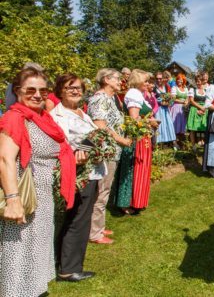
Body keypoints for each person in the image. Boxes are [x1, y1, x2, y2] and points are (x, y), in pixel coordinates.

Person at [0, 67, 76, 296]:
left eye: (43, 91)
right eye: (30, 90)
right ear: (17, 91)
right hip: (23, 197)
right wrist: (13, 200)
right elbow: (4, 159)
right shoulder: (15, 117)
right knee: (18, 252)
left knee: (35, 252)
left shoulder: (42, 117)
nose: (37, 95)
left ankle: (31, 289)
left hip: (42, 199)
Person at [50, 74, 104, 282]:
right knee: (77, 220)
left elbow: (92, 138)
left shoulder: (83, 113)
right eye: (69, 88)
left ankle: (62, 262)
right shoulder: (57, 115)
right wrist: (75, 156)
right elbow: (61, 144)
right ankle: (69, 269)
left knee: (77, 217)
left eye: (78, 88)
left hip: (91, 171)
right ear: (60, 91)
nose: (75, 91)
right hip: (77, 173)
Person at [87, 68, 132, 244]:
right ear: (106, 79)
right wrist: (120, 139)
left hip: (112, 150)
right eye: (117, 78)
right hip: (105, 150)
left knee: (104, 190)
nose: (120, 81)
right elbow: (100, 125)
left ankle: (99, 226)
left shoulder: (110, 98)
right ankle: (94, 233)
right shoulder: (99, 99)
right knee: (101, 191)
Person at [116, 69, 158, 214]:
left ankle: (137, 200)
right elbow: (134, 119)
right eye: (145, 81)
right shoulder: (133, 93)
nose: (148, 83)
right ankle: (127, 203)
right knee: (134, 168)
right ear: (138, 81)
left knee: (140, 168)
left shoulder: (139, 94)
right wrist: (150, 123)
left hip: (143, 136)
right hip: (136, 138)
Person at [153, 72, 178, 148]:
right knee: (159, 125)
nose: (159, 80)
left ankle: (169, 141)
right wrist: (161, 102)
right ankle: (158, 143)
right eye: (157, 79)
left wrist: (169, 102)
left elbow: (171, 97)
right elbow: (154, 98)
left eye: (160, 78)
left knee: (168, 124)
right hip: (158, 109)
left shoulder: (166, 86)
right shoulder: (154, 88)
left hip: (166, 108)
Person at [187, 74, 208, 151]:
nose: (198, 83)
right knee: (193, 128)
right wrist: (200, 108)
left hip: (204, 109)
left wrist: (204, 108)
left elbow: (208, 101)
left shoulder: (206, 90)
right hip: (195, 109)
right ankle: (193, 146)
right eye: (197, 81)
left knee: (203, 127)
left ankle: (203, 142)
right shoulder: (192, 90)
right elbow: (192, 101)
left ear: (203, 81)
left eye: (200, 81)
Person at [170, 74, 189, 142]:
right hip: (176, 107)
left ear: (183, 80)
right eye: (178, 79)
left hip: (184, 108)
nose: (179, 80)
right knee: (176, 123)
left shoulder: (186, 88)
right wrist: (183, 101)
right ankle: (174, 141)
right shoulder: (174, 88)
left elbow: (188, 97)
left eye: (181, 79)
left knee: (183, 124)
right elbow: (173, 99)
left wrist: (187, 101)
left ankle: (181, 141)